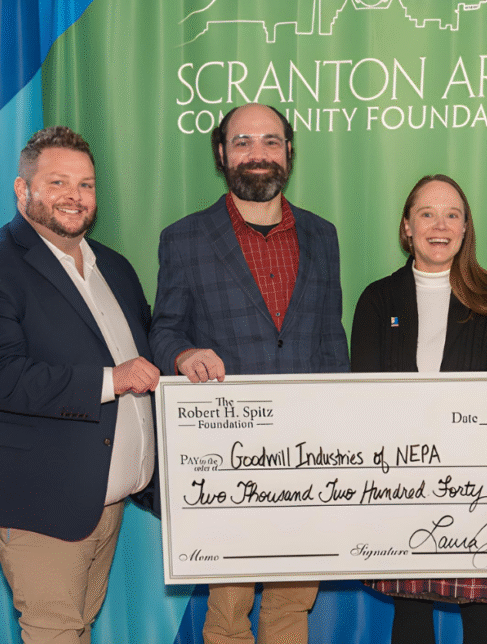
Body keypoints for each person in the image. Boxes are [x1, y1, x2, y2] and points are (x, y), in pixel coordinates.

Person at [149, 103, 349, 644]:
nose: (257, 154)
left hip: (309, 453)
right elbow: (163, 330)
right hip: (226, 455)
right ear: (221, 154)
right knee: (228, 604)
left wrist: (345, 429)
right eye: (242, 142)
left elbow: (332, 340)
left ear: (288, 151)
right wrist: (184, 355)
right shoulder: (184, 239)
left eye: (270, 141)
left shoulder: (322, 235)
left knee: (292, 604)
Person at [0, 126, 160, 644]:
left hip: (102, 501)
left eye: (86, 184)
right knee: (55, 632)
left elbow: (150, 352)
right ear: (23, 191)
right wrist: (113, 379)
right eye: (58, 182)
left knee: (74, 628)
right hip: (37, 499)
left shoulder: (113, 266)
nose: (75, 196)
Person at [351, 174, 487, 644]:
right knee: (410, 613)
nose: (439, 224)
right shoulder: (377, 299)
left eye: (452, 214)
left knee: (482, 614)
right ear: (407, 226)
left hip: (477, 479)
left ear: (466, 228)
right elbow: (364, 397)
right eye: (427, 213)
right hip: (401, 478)